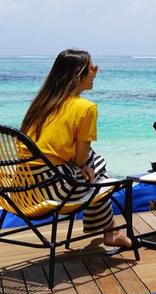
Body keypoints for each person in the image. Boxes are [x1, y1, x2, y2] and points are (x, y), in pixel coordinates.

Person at [20, 49, 133, 250]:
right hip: (54, 188)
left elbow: (50, 149)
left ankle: (110, 230)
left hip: (23, 186)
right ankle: (111, 231)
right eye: (92, 67)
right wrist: (81, 165)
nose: (95, 72)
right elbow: (80, 159)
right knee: (97, 165)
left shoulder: (42, 103)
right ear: (78, 73)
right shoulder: (86, 108)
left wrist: (80, 165)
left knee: (92, 163)